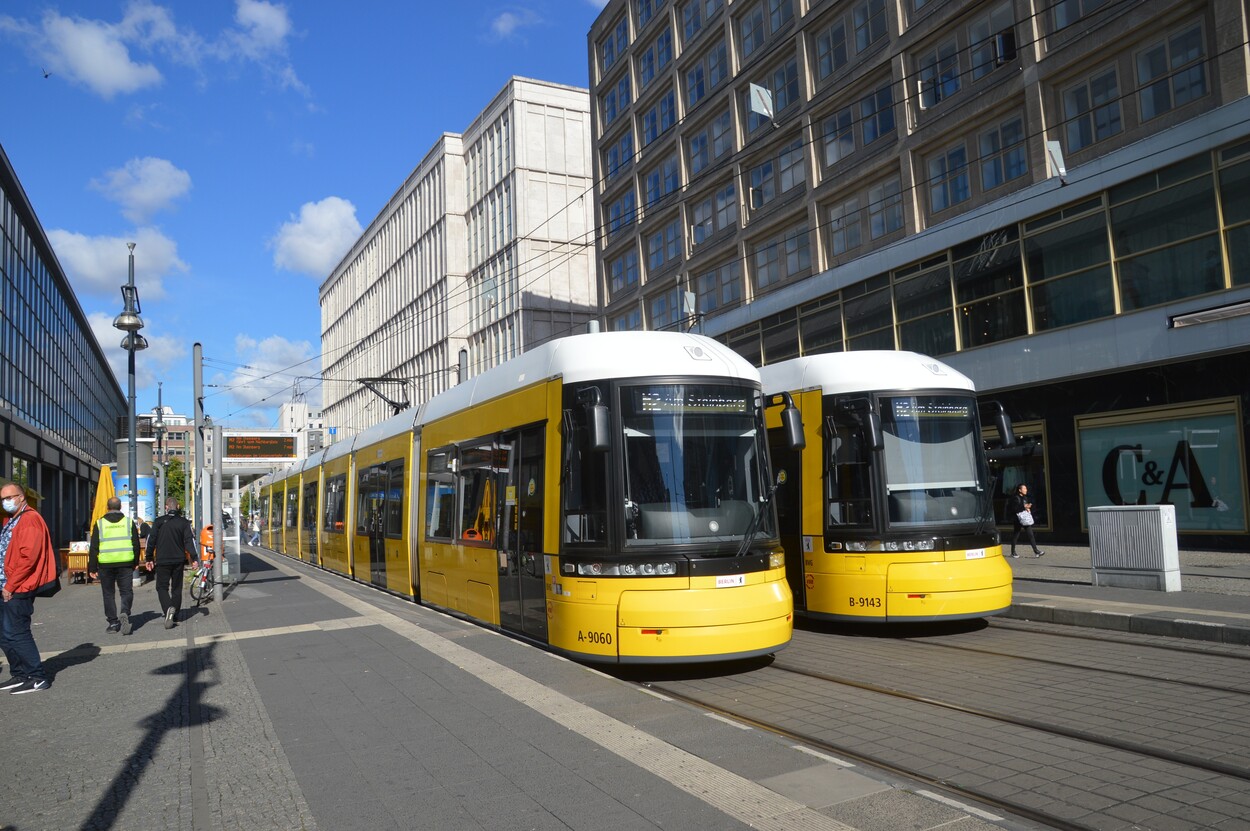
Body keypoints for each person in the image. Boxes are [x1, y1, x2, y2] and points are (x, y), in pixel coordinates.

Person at [0, 482, 59, 694]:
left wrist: (10, 585)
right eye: (3, 498)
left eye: (9, 497)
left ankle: (37, 676)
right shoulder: (12, 519)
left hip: (18, 586)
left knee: (17, 632)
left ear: (21, 497)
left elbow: (28, 558)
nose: (5, 502)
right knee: (5, 634)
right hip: (6, 585)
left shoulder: (30, 520)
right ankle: (20, 674)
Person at [87, 496, 140, 635]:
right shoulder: (128, 523)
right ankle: (125, 612)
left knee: (108, 593)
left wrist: (92, 567)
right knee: (126, 591)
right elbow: (136, 544)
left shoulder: (99, 524)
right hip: (125, 562)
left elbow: (94, 547)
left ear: (107, 507)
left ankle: (113, 622)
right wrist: (135, 563)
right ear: (120, 507)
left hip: (106, 564)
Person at [145, 497, 198, 630]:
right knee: (176, 587)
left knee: (161, 587)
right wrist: (195, 558)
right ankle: (174, 615)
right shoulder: (184, 522)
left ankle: (168, 608)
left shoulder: (158, 522)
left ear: (166, 507)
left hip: (162, 560)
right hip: (178, 560)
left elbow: (150, 541)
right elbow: (189, 541)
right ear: (178, 506)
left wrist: (149, 558)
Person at [1007, 483, 1044, 559]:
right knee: (1016, 534)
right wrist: (1024, 506)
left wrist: (1027, 508)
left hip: (1025, 518)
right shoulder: (1015, 498)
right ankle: (1013, 552)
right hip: (1018, 519)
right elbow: (1014, 509)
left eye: (1026, 489)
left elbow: (1024, 507)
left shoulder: (1025, 498)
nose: (1026, 490)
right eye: (1024, 489)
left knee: (1030, 534)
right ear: (1020, 490)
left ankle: (1036, 551)